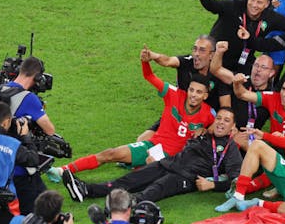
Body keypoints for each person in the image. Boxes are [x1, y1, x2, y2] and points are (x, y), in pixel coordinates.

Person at [52, 47, 215, 177]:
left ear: (205, 95)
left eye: (198, 92)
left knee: (144, 171)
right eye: (191, 90)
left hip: (172, 159)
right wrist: (145, 62)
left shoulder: (209, 114)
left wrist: (206, 130)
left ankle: (132, 175)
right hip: (152, 146)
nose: (193, 95)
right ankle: (64, 170)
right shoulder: (174, 95)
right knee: (111, 153)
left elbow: (223, 128)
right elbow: (149, 76)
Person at [62, 109, 242, 204]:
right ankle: (87, 190)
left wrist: (213, 185)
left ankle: (126, 205)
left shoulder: (231, 148)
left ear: (233, 127)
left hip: (186, 177)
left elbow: (236, 182)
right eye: (219, 118)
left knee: (156, 188)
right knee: (128, 180)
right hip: (168, 163)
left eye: (226, 121)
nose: (220, 123)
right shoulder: (202, 133)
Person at [0, 57, 57, 214]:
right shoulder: (29, 98)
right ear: (37, 77)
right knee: (30, 216)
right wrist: (20, 125)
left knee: (47, 204)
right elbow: (50, 130)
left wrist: (6, 123)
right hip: (20, 168)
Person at [135, 36, 223, 142]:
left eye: (202, 50)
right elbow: (167, 61)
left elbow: (225, 108)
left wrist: (208, 130)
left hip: (201, 123)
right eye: (195, 49)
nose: (196, 54)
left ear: (211, 55)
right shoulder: (186, 62)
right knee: (142, 140)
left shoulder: (219, 74)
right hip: (176, 115)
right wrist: (153, 56)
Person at [197, 0, 285, 75]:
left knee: (257, 78)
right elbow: (215, 6)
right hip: (217, 57)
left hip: (243, 61)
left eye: (259, 2)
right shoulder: (234, 5)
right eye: (252, 0)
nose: (254, 5)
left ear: (267, 4)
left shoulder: (270, 17)